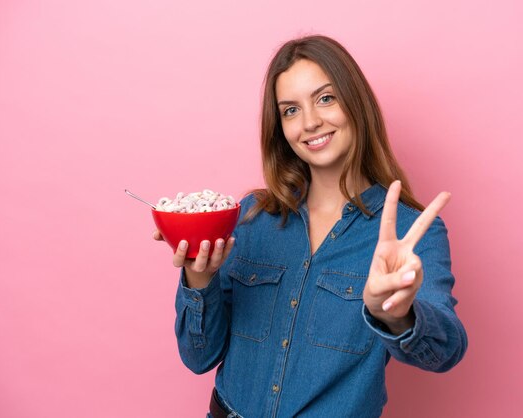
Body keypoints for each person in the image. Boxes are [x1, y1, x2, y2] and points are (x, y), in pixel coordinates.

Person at [154, 35, 468, 417]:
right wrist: (199, 278)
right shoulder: (251, 217)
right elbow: (198, 358)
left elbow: (445, 352)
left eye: (325, 98)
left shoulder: (411, 233)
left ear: (356, 102)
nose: (310, 122)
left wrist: (397, 312)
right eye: (290, 110)